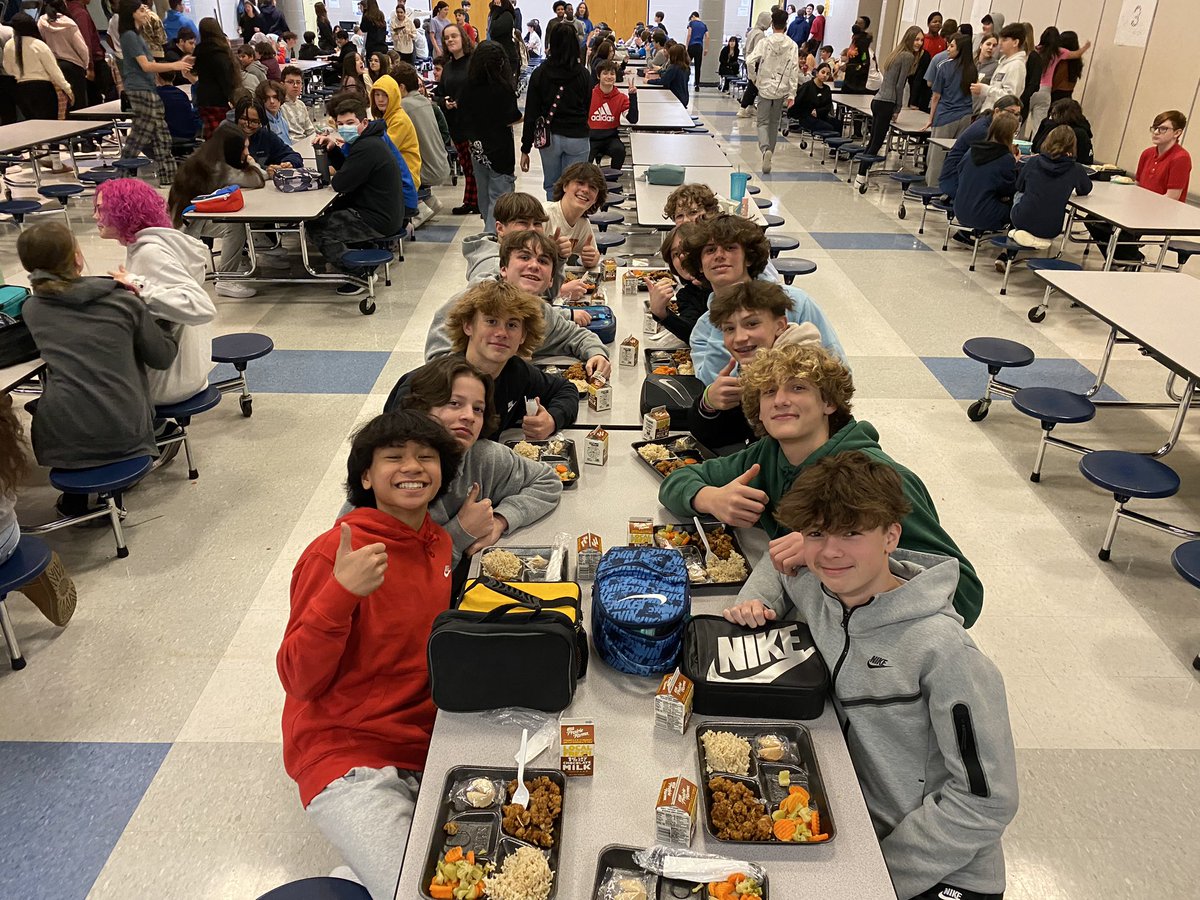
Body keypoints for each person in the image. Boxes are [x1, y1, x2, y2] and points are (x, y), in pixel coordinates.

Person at [722, 451, 1016, 899]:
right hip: (849, 820)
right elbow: (780, 568)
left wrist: (879, 876)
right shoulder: (822, 585)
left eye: (852, 533)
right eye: (817, 533)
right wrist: (757, 599)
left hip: (939, 871)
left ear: (891, 536)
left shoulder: (947, 653)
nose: (831, 551)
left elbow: (985, 800)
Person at [661, 342, 984, 626]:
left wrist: (833, 547)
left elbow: (965, 597)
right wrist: (709, 498)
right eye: (769, 391)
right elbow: (676, 480)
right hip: (798, 611)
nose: (781, 400)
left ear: (829, 403)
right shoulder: (767, 454)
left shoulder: (879, 479)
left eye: (798, 388)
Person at [279, 409, 462, 900]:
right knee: (426, 891)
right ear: (365, 476)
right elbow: (299, 679)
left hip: (425, 738)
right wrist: (340, 593)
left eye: (426, 457)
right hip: (348, 755)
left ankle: (364, 873)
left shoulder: (438, 543)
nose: (413, 467)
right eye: (393, 457)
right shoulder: (335, 555)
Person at [16, 221, 178, 516]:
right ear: (78, 258)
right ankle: (113, 488)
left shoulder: (33, 309)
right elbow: (162, 358)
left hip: (59, 434)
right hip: (123, 427)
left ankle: (75, 496)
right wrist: (160, 321)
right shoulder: (122, 302)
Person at [397, 356, 562, 564]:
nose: (469, 416)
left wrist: (501, 520)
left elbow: (548, 481)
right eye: (454, 403)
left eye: (478, 409)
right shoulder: (390, 475)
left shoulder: (481, 456)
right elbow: (393, 573)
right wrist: (461, 531)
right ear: (423, 408)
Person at [385, 280, 579, 440]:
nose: (502, 333)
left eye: (512, 324)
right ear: (468, 325)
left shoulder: (516, 372)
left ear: (522, 336)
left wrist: (552, 419)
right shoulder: (421, 386)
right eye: (491, 321)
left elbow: (565, 390)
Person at [92, 178, 215, 410]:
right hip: (188, 369)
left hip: (169, 384)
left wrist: (139, 287)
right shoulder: (152, 244)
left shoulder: (150, 253)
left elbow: (202, 308)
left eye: (101, 210)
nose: (95, 218)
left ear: (124, 211)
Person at [683, 215, 843, 384]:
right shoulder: (702, 331)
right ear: (700, 265)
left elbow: (839, 369)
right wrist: (720, 320)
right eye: (710, 250)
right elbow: (708, 387)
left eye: (730, 248)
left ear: (749, 258)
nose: (719, 255)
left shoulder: (794, 301)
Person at [427, 229, 610, 373]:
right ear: (503, 269)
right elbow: (436, 364)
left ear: (551, 280)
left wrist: (598, 355)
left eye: (543, 261)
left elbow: (576, 335)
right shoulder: (468, 303)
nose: (533, 266)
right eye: (524, 257)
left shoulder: (540, 311)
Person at [690, 281, 820, 451]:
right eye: (729, 329)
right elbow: (719, 437)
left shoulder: (805, 373)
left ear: (780, 326)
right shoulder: (753, 370)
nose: (739, 338)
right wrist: (709, 403)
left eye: (751, 324)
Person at [310, 95, 409, 294]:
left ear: (364, 122)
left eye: (350, 123)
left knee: (318, 228)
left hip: (377, 219)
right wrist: (333, 151)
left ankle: (358, 273)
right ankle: (357, 259)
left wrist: (335, 160)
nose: (345, 128)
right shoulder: (370, 140)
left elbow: (340, 183)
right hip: (385, 212)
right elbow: (350, 170)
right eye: (340, 124)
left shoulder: (367, 147)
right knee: (332, 212)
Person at [169, 122, 265, 298]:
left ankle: (256, 251)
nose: (246, 153)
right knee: (235, 224)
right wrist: (252, 163)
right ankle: (226, 279)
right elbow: (257, 179)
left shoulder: (206, 156)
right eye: (244, 148)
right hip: (189, 223)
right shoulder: (217, 168)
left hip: (192, 216)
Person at [1085, 110, 1191, 266]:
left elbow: (1172, 198)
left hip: (1161, 211)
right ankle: (1126, 258)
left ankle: (1128, 258)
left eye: (1162, 129)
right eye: (1154, 128)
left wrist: (1139, 208)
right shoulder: (1147, 153)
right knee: (1093, 220)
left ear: (1177, 132)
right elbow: (1139, 185)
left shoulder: (1181, 158)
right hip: (1139, 207)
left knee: (1121, 229)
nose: (1156, 132)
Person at [116, 0, 191, 186]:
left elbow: (150, 61)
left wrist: (182, 61)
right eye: (141, 10)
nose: (145, 13)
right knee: (142, 132)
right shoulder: (129, 36)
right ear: (132, 13)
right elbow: (146, 65)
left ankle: (168, 175)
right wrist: (174, 65)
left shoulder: (136, 35)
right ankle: (121, 172)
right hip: (139, 88)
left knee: (161, 133)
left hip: (146, 87)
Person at [454, 40, 520, 234]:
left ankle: (488, 230)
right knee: (500, 200)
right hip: (500, 150)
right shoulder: (503, 88)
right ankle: (491, 239)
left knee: (484, 197)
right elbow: (512, 117)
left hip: (477, 148)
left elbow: (462, 115)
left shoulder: (466, 86)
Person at [520, 23, 591, 199]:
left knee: (552, 187)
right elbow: (587, 107)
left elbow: (531, 113)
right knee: (576, 190)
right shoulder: (583, 74)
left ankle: (555, 225)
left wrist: (525, 148)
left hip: (549, 138)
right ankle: (573, 225)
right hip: (577, 136)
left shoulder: (540, 73)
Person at [1006, 124, 1092, 254]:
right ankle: (1035, 238)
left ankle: (1016, 240)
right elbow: (1085, 189)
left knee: (1020, 194)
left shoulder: (1033, 162)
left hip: (1021, 219)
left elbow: (1019, 186)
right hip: (1052, 228)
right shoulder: (1076, 169)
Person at [854, 26, 922, 187]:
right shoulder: (907, 56)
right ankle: (861, 176)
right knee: (876, 143)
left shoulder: (896, 54)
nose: (919, 43)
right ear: (909, 38)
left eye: (921, 40)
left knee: (873, 141)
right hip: (887, 102)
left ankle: (861, 174)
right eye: (917, 39)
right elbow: (900, 85)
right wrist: (897, 108)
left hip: (878, 99)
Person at [745, 9, 799, 175]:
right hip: (781, 89)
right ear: (786, 24)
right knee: (774, 124)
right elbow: (794, 70)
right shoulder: (792, 45)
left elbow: (749, 60)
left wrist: (754, 79)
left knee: (762, 122)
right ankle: (771, 153)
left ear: (772, 24)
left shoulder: (765, 42)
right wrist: (792, 94)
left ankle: (764, 149)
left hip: (764, 88)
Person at [938, 94, 1020, 201]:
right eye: (1010, 112)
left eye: (1017, 114)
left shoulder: (988, 123)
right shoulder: (983, 131)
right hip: (955, 180)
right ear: (997, 111)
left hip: (963, 178)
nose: (1013, 117)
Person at [952, 110, 1019, 238]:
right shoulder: (1005, 158)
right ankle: (1009, 247)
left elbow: (960, 171)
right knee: (1019, 205)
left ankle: (966, 233)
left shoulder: (972, 150)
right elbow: (1008, 189)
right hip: (984, 214)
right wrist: (1014, 164)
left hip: (960, 209)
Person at [435, 23, 478, 214]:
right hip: (456, 124)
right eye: (446, 38)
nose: (450, 40)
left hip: (473, 123)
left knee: (475, 166)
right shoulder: (449, 67)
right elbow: (438, 94)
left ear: (463, 38)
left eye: (454, 36)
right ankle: (470, 201)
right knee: (467, 166)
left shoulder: (475, 63)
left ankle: (476, 201)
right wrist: (444, 102)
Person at [924, 32, 976, 187]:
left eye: (952, 46)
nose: (948, 49)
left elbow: (936, 96)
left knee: (936, 158)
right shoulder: (973, 69)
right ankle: (949, 189)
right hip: (965, 117)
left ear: (960, 49)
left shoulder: (945, 67)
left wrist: (930, 119)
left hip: (945, 116)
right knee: (956, 156)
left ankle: (933, 189)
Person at [4, 12, 74, 128]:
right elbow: (54, 71)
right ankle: (52, 146)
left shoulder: (9, 45)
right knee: (49, 125)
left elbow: (8, 69)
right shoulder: (39, 45)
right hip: (43, 89)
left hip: (20, 89)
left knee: (32, 126)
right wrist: (67, 89)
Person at [393, 61, 452, 194]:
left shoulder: (403, 106)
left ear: (401, 87)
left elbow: (392, 142)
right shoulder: (426, 102)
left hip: (426, 172)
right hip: (441, 165)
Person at [645, 222, 708, 343]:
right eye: (676, 254)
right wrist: (661, 313)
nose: (682, 258)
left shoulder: (725, 285)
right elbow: (693, 335)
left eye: (688, 250)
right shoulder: (687, 294)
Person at [1026, 27, 1090, 138]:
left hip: (1039, 89)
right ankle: (1036, 146)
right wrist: (1086, 47)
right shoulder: (1061, 54)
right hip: (1053, 92)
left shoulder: (1038, 50)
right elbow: (1077, 54)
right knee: (1040, 124)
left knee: (1022, 118)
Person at [544, 161, 603, 275]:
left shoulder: (583, 224)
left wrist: (590, 259)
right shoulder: (543, 215)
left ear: (596, 198)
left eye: (592, 187)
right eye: (580, 183)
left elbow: (593, 257)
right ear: (565, 186)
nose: (585, 190)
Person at [369, 72, 423, 191]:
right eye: (377, 95)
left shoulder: (399, 120)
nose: (380, 99)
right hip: (396, 173)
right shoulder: (386, 117)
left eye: (385, 95)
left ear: (394, 95)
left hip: (406, 178)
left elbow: (383, 150)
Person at [36, 0, 88, 112]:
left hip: (54, 66)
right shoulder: (69, 23)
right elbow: (82, 48)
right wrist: (85, 64)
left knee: (61, 105)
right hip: (74, 66)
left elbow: (42, 43)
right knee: (79, 106)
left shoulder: (41, 22)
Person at [192, 18, 238, 138]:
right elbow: (226, 79)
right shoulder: (222, 53)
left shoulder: (199, 51)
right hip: (220, 99)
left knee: (212, 134)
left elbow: (194, 72)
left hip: (203, 98)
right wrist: (232, 98)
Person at [587, 61, 637, 169]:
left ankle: (612, 180)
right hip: (590, 138)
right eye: (605, 73)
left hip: (610, 137)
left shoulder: (621, 98)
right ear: (598, 76)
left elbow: (633, 119)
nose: (609, 77)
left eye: (612, 74)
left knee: (619, 150)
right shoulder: (588, 95)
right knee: (584, 158)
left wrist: (633, 97)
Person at [234, 94, 302, 171]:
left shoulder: (266, 136)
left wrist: (287, 164)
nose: (248, 125)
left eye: (254, 121)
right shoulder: (225, 137)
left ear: (261, 122)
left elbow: (293, 155)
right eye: (244, 119)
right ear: (236, 117)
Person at [972, 22, 1025, 112]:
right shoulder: (1004, 63)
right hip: (988, 111)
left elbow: (1010, 98)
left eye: (1004, 40)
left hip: (998, 115)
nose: (1000, 43)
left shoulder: (1016, 66)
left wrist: (986, 89)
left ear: (1015, 42)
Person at [1031, 98, 1092, 166]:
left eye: (1053, 114)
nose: (1050, 117)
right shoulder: (1047, 123)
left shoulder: (1079, 133)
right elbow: (1034, 147)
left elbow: (1085, 162)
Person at [735, 11, 771, 118]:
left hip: (748, 61)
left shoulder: (752, 32)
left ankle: (750, 107)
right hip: (755, 63)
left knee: (753, 85)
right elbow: (758, 51)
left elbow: (746, 48)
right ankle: (742, 108)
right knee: (753, 86)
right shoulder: (760, 34)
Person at [907, 10, 944, 112]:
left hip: (932, 78)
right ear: (928, 23)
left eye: (939, 22)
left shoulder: (942, 42)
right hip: (918, 75)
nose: (937, 24)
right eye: (934, 21)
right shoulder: (923, 39)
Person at [791, 62, 838, 135]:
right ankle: (827, 143)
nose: (825, 75)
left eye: (828, 74)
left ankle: (837, 144)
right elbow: (798, 102)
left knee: (837, 124)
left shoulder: (827, 89)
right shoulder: (807, 86)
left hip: (821, 115)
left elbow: (828, 106)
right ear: (817, 73)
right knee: (829, 128)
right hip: (807, 117)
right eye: (823, 72)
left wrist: (818, 112)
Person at [157, 68, 199, 140]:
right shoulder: (181, 93)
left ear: (157, 76)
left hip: (172, 135)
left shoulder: (156, 94)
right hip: (190, 133)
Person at [280, 65, 317, 140]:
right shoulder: (279, 106)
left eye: (298, 82)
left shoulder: (301, 104)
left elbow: (310, 130)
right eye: (290, 82)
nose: (295, 85)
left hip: (305, 142)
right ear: (282, 84)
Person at [648, 40, 689, 106]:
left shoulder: (674, 67)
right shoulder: (686, 67)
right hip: (684, 97)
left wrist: (648, 81)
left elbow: (664, 80)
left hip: (675, 97)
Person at [487, 0, 519, 83]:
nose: (496, 6)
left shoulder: (507, 15)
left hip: (507, 55)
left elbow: (494, 31)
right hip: (499, 54)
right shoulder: (496, 16)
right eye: (494, 4)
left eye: (498, 3)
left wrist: (495, 11)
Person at [1051, 30, 1084, 102]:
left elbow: (1056, 80)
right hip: (1068, 94)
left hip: (1056, 95)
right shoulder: (1076, 61)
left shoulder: (1062, 61)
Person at [685, 11, 708, 91]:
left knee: (686, 64)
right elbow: (707, 37)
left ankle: (684, 80)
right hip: (699, 47)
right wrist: (706, 48)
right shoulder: (704, 25)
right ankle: (697, 84)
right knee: (698, 66)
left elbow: (689, 34)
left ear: (693, 16)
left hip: (691, 46)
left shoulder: (691, 23)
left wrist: (686, 46)